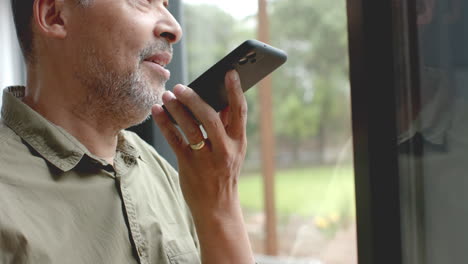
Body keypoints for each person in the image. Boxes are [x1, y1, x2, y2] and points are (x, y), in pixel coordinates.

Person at [0, 0, 255, 263]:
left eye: (166, 3)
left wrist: (220, 208)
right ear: (55, 16)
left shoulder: (165, 174)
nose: (174, 28)